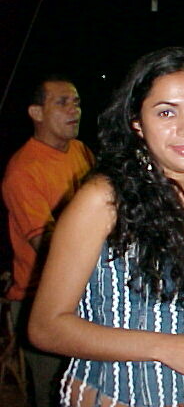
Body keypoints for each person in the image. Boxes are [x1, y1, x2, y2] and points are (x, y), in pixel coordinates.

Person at [27, 47, 184, 407]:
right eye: (166, 112)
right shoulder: (105, 200)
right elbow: (46, 327)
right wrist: (169, 348)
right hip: (111, 396)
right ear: (137, 122)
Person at [2, 74, 94, 407]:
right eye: (62, 103)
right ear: (36, 113)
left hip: (81, 294)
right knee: (54, 393)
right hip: (38, 300)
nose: (74, 110)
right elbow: (45, 243)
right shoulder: (23, 170)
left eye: (77, 102)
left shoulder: (81, 152)